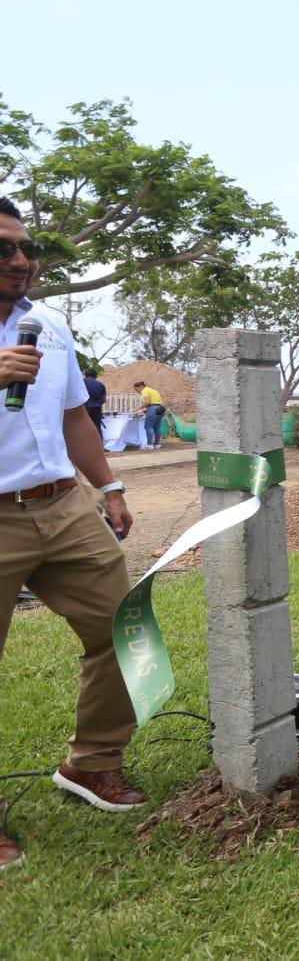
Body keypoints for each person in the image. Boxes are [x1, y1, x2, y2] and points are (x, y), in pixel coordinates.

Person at [0, 196, 140, 872]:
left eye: (26, 248)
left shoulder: (48, 323)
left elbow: (75, 415)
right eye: (4, 250)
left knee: (124, 626)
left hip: (62, 504)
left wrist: (108, 487)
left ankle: (92, 763)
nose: (21, 260)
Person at [133, 379, 164, 448]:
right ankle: (157, 444)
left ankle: (149, 445)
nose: (137, 392)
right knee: (157, 427)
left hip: (153, 409)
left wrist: (138, 409)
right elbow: (156, 401)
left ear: (140, 387)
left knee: (148, 427)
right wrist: (146, 410)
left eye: (136, 389)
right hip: (160, 408)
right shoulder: (152, 390)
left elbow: (147, 402)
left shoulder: (144, 391)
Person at [82, 368, 106, 436]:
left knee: (84, 427)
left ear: (85, 375)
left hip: (84, 408)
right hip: (97, 408)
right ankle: (99, 444)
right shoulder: (101, 384)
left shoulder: (82, 383)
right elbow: (104, 399)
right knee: (97, 427)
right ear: (96, 376)